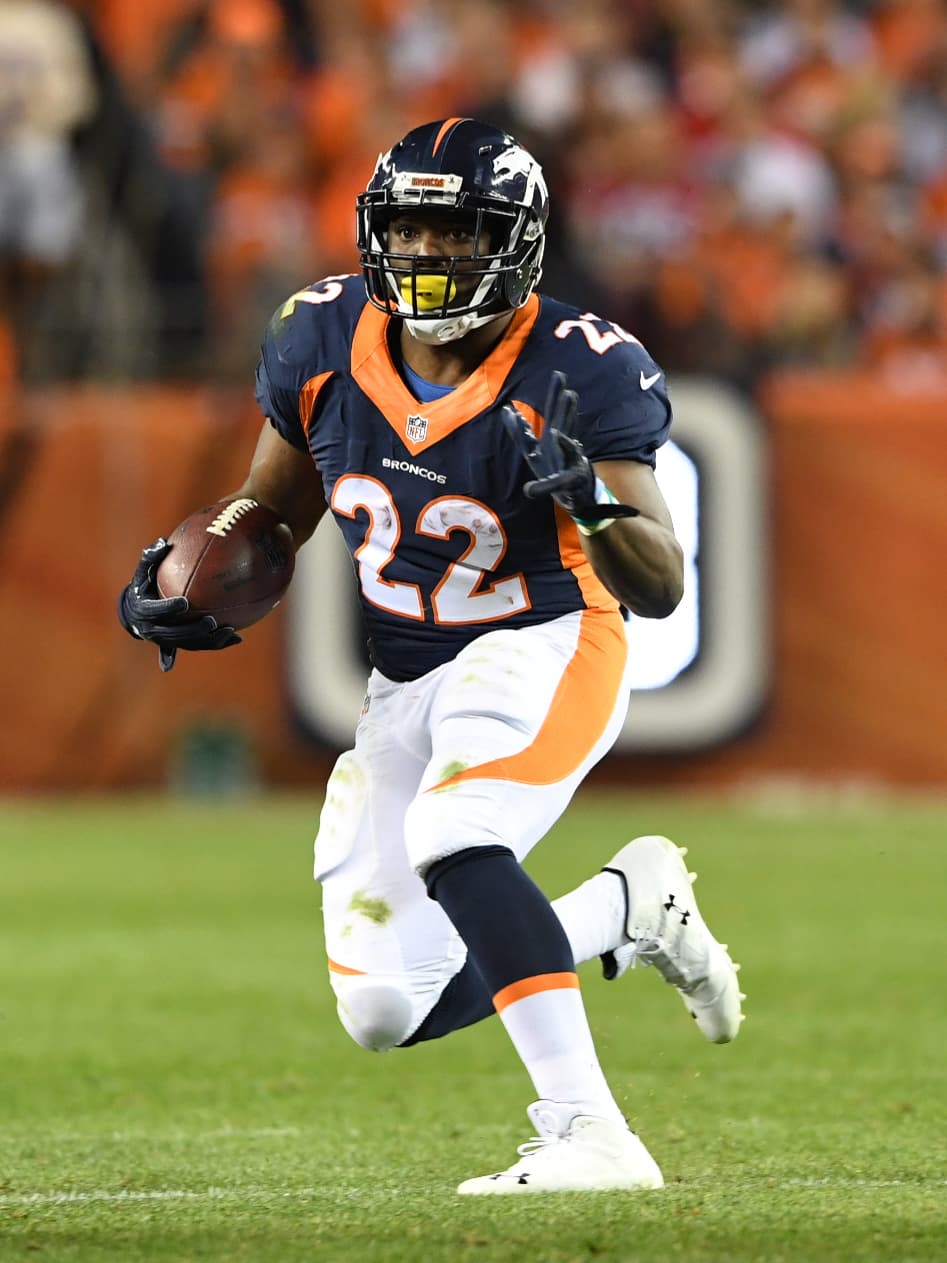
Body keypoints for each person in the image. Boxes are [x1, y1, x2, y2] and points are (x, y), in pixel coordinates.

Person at [119, 117, 744, 1194]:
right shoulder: (320, 336)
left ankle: (592, 1132)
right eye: (407, 230)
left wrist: (590, 504)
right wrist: (194, 576)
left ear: (514, 241)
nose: (426, 254)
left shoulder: (580, 364)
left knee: (455, 830)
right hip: (404, 673)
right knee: (385, 1006)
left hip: (546, 637)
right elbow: (272, 505)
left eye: (456, 233)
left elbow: (659, 585)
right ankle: (623, 907)